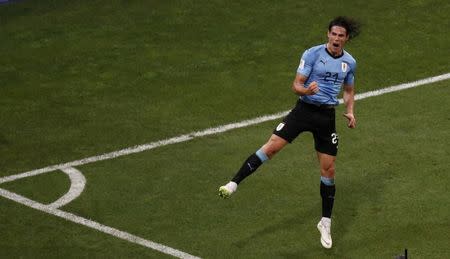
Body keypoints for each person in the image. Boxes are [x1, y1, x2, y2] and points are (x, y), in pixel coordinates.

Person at [218, 16, 360, 249]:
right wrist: (306, 90)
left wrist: (351, 111)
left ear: (346, 38)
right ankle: (233, 183)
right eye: (333, 34)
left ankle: (325, 222)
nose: (336, 38)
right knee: (272, 146)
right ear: (328, 34)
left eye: (340, 35)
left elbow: (349, 90)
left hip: (326, 118)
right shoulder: (312, 54)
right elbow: (296, 84)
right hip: (304, 110)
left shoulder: (350, 62)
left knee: (329, 169)